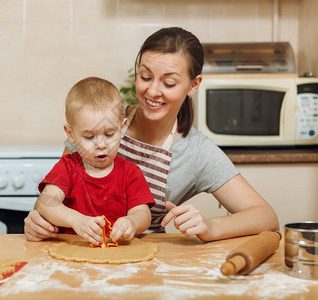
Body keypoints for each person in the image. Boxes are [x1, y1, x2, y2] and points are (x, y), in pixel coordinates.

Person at [26, 27, 279, 242]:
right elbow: (54, 197)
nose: (153, 91)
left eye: (168, 83)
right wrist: (37, 221)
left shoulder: (196, 151)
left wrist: (210, 227)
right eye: (145, 76)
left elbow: (266, 216)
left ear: (193, 85)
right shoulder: (98, 121)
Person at [35, 76, 155, 246]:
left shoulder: (130, 172)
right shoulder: (67, 168)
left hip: (118, 256)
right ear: (71, 135)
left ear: (122, 128)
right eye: (89, 137)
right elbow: (45, 203)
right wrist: (75, 220)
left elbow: (143, 214)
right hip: (71, 253)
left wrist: (132, 223)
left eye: (109, 134)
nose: (101, 145)